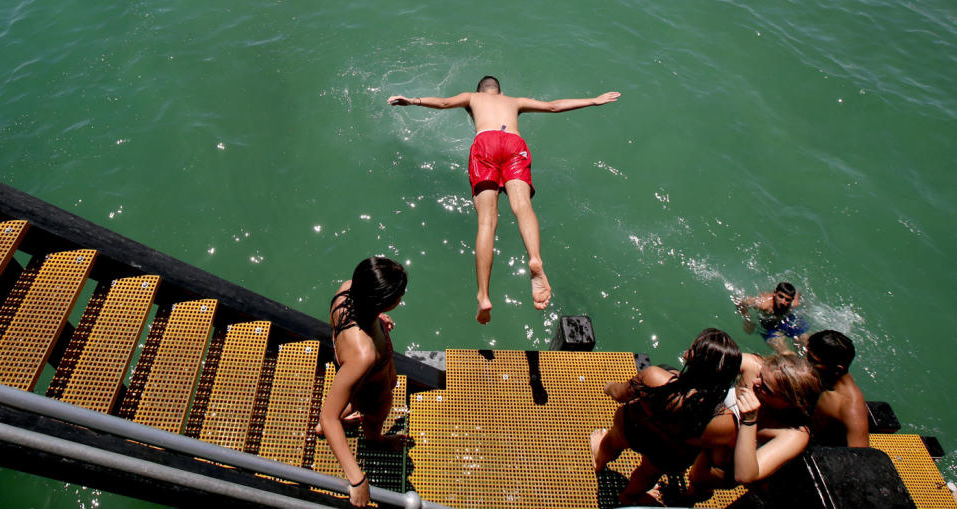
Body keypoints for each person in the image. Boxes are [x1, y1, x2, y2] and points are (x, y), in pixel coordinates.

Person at [388, 76, 620, 324]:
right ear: (500, 92)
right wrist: (593, 101)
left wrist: (413, 100)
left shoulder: (471, 97)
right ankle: (534, 258)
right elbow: (554, 105)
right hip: (514, 143)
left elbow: (444, 103)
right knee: (522, 206)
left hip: (486, 143)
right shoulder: (514, 101)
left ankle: (483, 295)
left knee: (487, 221)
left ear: (480, 91)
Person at [590, 328, 742, 505]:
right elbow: (719, 458)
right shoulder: (725, 422)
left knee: (614, 440)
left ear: (689, 356)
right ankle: (629, 496)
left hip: (634, 430)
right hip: (670, 455)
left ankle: (600, 462)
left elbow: (620, 394)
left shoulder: (655, 377)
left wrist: (609, 387)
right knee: (649, 472)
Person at [318, 257, 408, 507]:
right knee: (371, 420)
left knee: (348, 404)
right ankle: (374, 439)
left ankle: (340, 423)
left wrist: (378, 319)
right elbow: (328, 416)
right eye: (399, 294)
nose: (401, 297)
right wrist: (357, 480)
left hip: (360, 382)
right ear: (383, 301)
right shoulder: (363, 355)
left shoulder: (346, 291)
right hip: (372, 395)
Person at [690, 354, 822, 494]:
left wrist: (749, 421)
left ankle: (694, 492)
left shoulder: (794, 434)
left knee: (700, 476)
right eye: (760, 375)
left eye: (766, 388)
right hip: (706, 430)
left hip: (723, 463)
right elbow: (698, 355)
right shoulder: (754, 366)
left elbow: (745, 476)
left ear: (790, 403)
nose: (754, 382)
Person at [806, 330, 869, 447]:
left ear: (837, 369)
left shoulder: (850, 407)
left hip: (820, 454)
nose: (806, 362)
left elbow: (860, 457)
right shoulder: (825, 378)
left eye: (813, 361)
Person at [737, 282, 808, 354]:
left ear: (792, 300)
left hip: (788, 319)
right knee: (785, 353)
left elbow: (799, 294)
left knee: (806, 344)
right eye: (780, 296)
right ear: (775, 293)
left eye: (787, 300)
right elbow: (741, 303)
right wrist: (747, 318)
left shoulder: (794, 303)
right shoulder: (764, 304)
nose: (783, 302)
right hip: (770, 326)